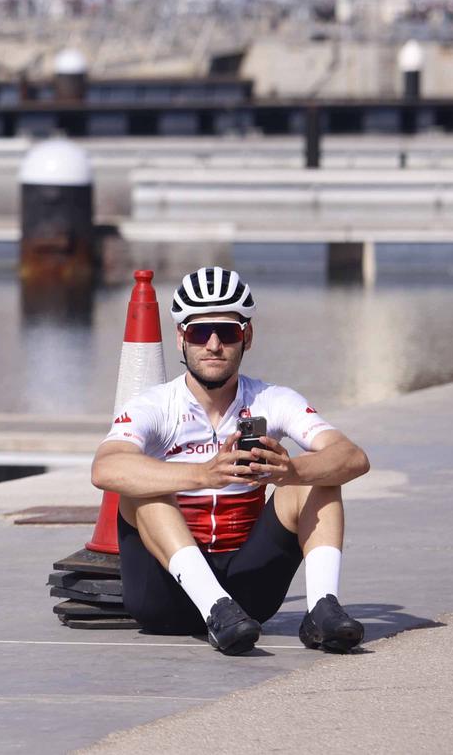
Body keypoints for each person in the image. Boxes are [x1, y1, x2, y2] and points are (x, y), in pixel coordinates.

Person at [91, 266, 371, 655]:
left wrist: (290, 472)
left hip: (248, 596)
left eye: (227, 332)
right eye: (198, 333)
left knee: (318, 472)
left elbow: (353, 457)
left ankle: (322, 609)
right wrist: (202, 474)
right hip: (165, 598)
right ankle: (213, 607)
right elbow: (105, 468)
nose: (213, 344)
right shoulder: (155, 405)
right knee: (140, 491)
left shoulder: (272, 399)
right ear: (180, 339)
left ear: (247, 337)